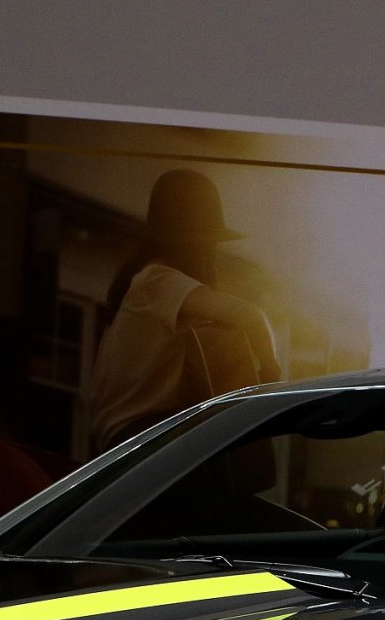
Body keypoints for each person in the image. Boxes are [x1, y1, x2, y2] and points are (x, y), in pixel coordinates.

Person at [87, 169, 280, 453]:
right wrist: (270, 371)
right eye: (209, 242)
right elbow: (250, 316)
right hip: (142, 438)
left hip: (126, 442)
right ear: (197, 245)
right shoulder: (159, 281)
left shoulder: (141, 289)